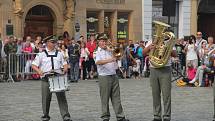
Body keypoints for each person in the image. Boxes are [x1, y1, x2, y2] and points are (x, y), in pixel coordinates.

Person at [31, 36, 72, 121]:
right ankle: (45, 115)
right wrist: (39, 71)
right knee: (46, 98)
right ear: (47, 43)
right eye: (52, 42)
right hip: (46, 79)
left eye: (55, 42)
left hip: (57, 78)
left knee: (62, 98)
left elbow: (65, 63)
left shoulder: (59, 53)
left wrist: (65, 68)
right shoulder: (41, 54)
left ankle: (66, 116)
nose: (54, 44)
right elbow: (34, 65)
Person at [95, 33, 129, 121]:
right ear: (98, 42)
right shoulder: (97, 51)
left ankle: (120, 117)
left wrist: (117, 54)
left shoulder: (109, 50)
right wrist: (111, 59)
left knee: (116, 97)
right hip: (104, 77)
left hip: (113, 75)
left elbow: (119, 56)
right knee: (105, 98)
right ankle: (105, 117)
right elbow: (98, 62)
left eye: (105, 41)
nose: (104, 43)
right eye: (102, 41)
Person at [143, 38, 177, 121]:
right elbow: (143, 53)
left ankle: (167, 116)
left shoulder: (169, 41)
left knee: (166, 95)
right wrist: (150, 47)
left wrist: (166, 48)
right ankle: (157, 116)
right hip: (153, 69)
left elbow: (175, 54)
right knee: (155, 94)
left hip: (165, 69)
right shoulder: (151, 41)